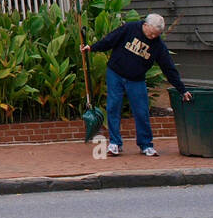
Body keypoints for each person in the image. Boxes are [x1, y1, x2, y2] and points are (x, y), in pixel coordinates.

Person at [82, 13, 192, 157]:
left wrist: (182, 90)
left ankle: (146, 144)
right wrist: (93, 48)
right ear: (145, 25)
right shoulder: (129, 28)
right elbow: (111, 39)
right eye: (151, 34)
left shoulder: (158, 45)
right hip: (116, 72)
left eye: (156, 35)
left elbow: (168, 68)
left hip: (137, 79)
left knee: (141, 111)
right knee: (113, 107)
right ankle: (115, 143)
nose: (152, 37)